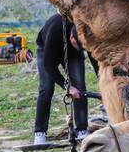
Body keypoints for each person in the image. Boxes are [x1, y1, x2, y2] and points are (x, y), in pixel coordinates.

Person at [34, 12, 92, 145]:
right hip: (46, 50)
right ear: (72, 37)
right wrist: (67, 87)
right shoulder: (55, 29)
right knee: (46, 88)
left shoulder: (84, 30)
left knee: (80, 87)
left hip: (72, 55)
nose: (81, 49)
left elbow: (94, 58)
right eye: (79, 46)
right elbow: (49, 66)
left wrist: (103, 78)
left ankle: (82, 130)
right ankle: (40, 132)